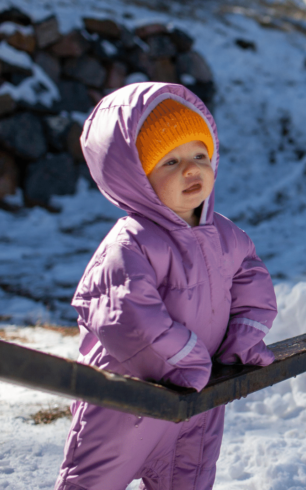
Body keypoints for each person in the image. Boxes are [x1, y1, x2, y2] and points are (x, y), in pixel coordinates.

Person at [54, 82, 277, 490]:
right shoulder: (131, 242)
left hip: (196, 397)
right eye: (169, 162)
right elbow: (128, 315)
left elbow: (251, 280)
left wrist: (243, 337)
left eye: (198, 155)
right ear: (136, 179)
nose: (191, 170)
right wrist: (184, 359)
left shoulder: (224, 234)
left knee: (187, 479)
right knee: (93, 482)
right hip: (128, 401)